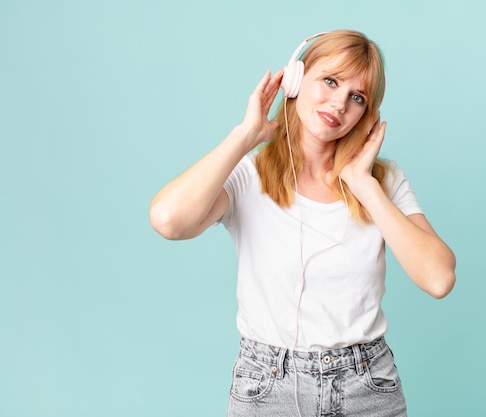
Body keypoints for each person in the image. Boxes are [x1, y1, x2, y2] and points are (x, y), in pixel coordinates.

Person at [149, 29, 456, 417]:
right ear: (295, 78)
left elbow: (439, 279)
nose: (339, 103)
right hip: (267, 385)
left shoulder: (384, 180)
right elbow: (168, 220)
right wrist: (244, 136)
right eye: (330, 81)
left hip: (366, 385)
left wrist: (364, 184)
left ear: (366, 113)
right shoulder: (249, 175)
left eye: (356, 97)